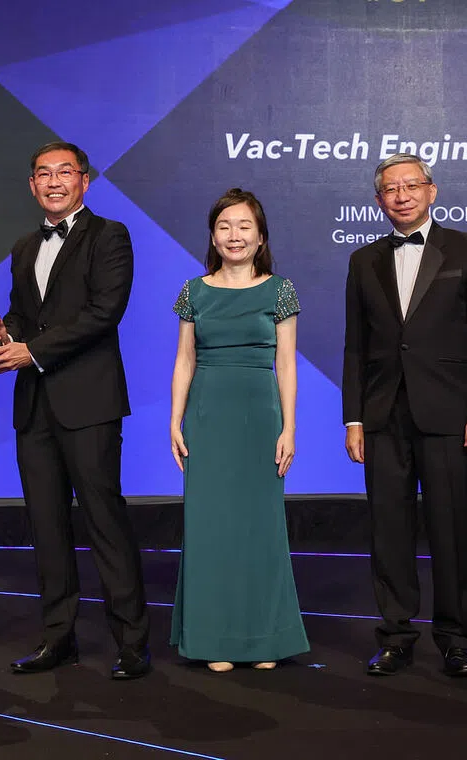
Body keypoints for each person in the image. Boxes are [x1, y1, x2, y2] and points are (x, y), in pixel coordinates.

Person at [0, 141, 151, 680]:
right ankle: (58, 638)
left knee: (105, 522)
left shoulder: (110, 235)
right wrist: (3, 335)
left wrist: (30, 351)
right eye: (43, 174)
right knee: (47, 527)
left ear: (84, 181)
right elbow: (26, 317)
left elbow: (104, 312)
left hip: (89, 402)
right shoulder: (24, 245)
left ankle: (132, 643)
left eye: (64, 172)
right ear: (32, 185)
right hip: (35, 407)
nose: (54, 182)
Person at [342, 153, 467, 677]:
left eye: (412, 185)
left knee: (453, 530)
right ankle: (395, 636)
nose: (402, 195)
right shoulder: (363, 260)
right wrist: (353, 418)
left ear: (432, 191)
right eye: (391, 189)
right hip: (383, 416)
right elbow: (355, 346)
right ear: (378, 201)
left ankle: (456, 640)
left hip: (450, 415)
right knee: (388, 531)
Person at [168, 188, 309, 673]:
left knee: (260, 528)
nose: (235, 235)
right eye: (225, 226)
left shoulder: (280, 290)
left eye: (245, 226)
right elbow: (185, 360)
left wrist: (290, 427)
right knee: (210, 528)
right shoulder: (193, 291)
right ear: (213, 236)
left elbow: (286, 364)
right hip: (207, 417)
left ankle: (265, 639)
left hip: (260, 419)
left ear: (260, 236)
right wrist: (174, 421)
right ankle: (215, 638)